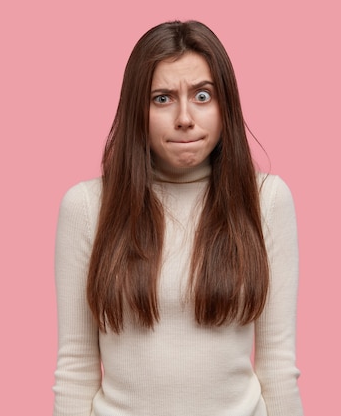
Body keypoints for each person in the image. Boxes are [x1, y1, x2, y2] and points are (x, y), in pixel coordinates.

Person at [53, 20, 303, 416]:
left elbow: (276, 368)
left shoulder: (266, 200)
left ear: (226, 106)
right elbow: (76, 370)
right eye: (162, 99)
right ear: (138, 108)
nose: (185, 117)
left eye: (202, 96)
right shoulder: (87, 207)